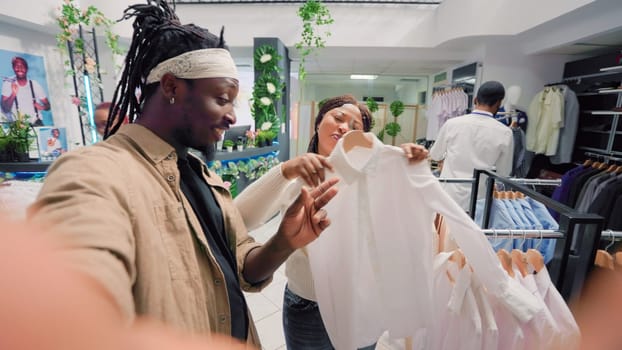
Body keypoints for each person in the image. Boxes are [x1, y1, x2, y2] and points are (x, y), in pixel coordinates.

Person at [27, 0, 339, 347]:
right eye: (222, 98)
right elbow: (75, 299)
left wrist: (284, 242)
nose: (233, 116)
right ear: (172, 88)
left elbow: (244, 268)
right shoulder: (96, 173)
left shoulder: (201, 176)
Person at [234, 94, 428, 349]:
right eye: (338, 118)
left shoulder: (374, 180)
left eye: (355, 127)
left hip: (360, 303)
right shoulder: (294, 178)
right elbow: (238, 218)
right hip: (307, 303)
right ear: (318, 123)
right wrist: (285, 170)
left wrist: (407, 169)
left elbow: (407, 228)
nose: (344, 127)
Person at [429, 80, 513, 211]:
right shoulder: (505, 132)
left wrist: (446, 157)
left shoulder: (452, 124)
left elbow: (435, 155)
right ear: (498, 103)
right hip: (478, 199)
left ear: (475, 100)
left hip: (449, 194)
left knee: (444, 230)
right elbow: (504, 172)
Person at [1, 56, 50, 125]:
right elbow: (5, 109)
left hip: (36, 123)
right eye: (16, 66)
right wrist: (13, 94)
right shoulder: (8, 83)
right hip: (18, 125)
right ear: (13, 68)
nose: (20, 68)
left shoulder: (35, 84)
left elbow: (48, 105)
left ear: (27, 69)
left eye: (22, 66)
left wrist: (42, 107)